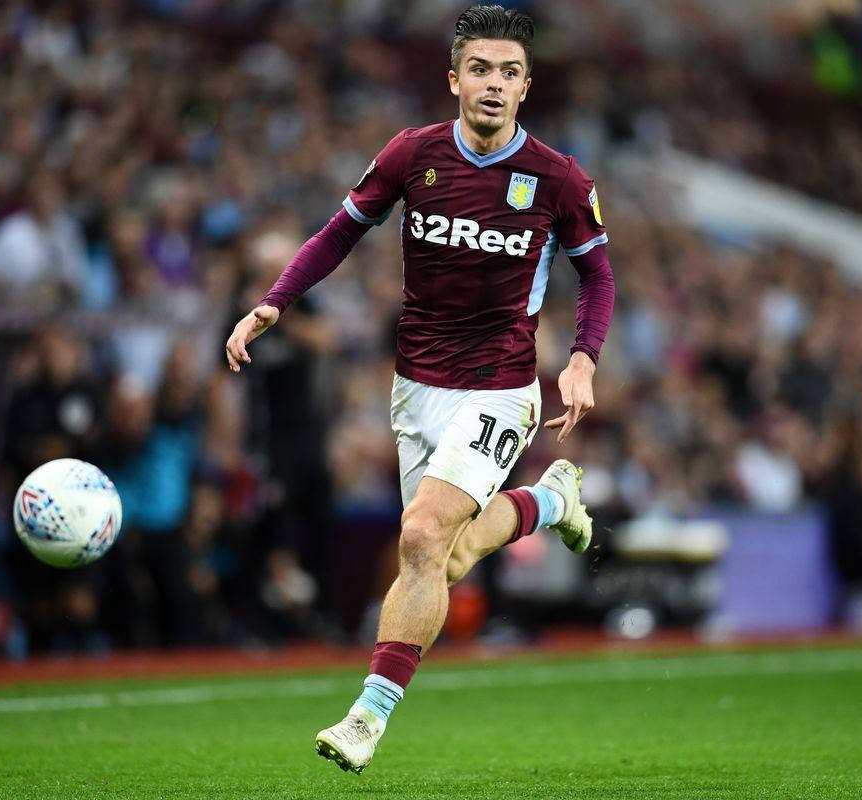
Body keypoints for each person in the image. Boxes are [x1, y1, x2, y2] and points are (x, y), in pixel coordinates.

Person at [224, 4, 615, 774]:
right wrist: (275, 300)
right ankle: (551, 501)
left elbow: (596, 273)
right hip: (415, 388)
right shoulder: (412, 154)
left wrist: (581, 358)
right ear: (455, 79)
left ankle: (367, 717)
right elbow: (340, 230)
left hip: (502, 387)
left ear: (526, 87)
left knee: (420, 533)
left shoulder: (559, 179)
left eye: (508, 72)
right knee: (447, 555)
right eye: (480, 70)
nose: (493, 84)